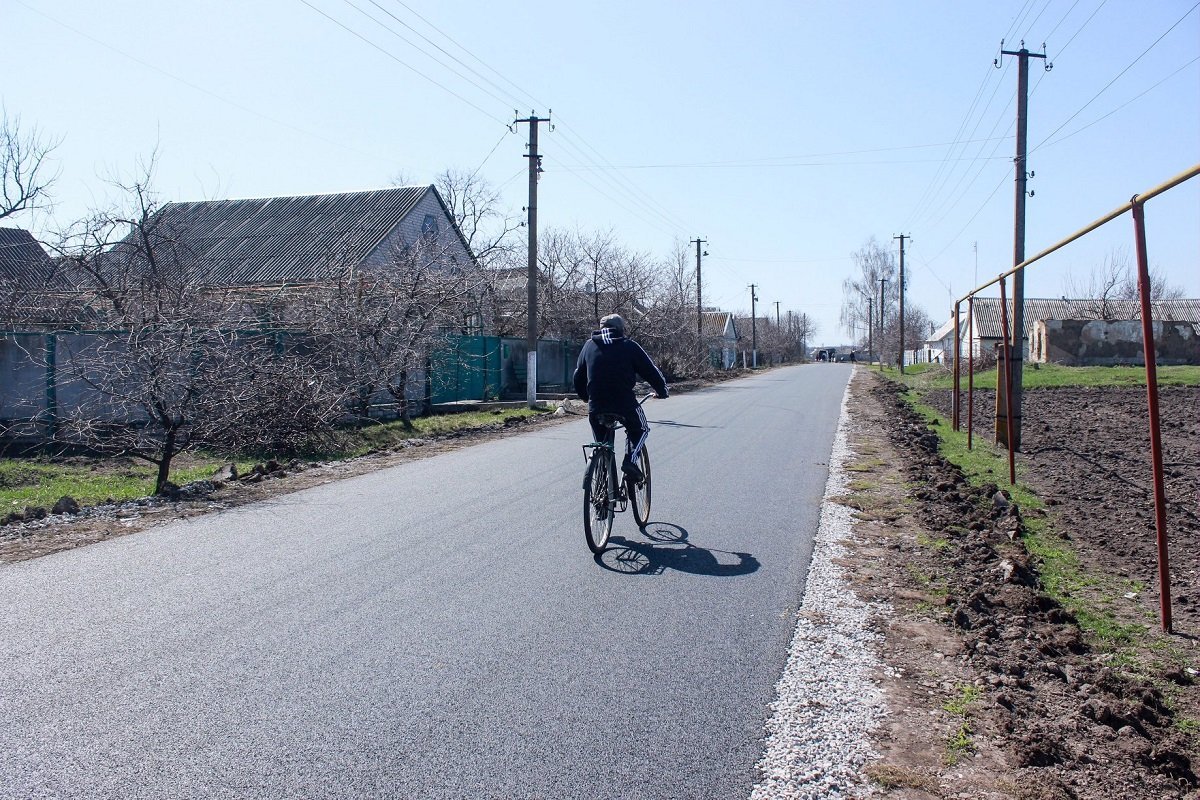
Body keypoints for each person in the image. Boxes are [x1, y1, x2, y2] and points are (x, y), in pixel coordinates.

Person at [573, 314, 669, 482]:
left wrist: (585, 397)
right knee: (640, 429)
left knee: (602, 443)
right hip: (624, 403)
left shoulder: (588, 346)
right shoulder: (629, 346)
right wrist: (662, 391)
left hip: (596, 405)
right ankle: (630, 462)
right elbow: (650, 371)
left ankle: (603, 484)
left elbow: (578, 376)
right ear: (621, 329)